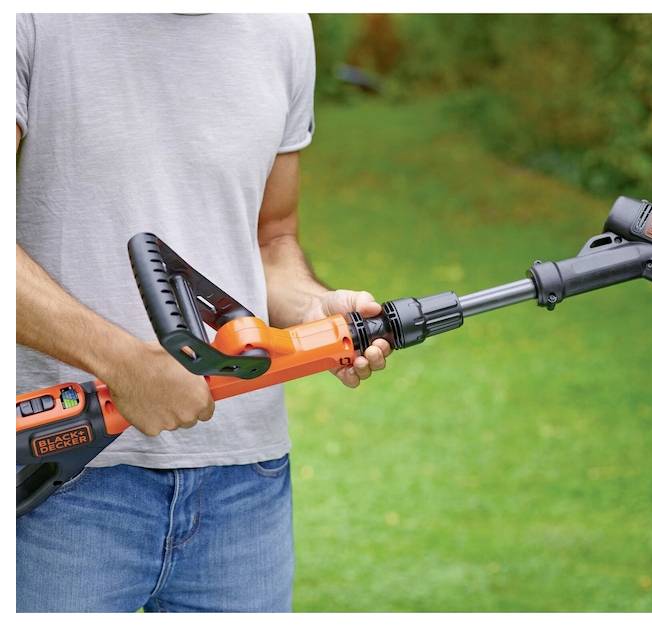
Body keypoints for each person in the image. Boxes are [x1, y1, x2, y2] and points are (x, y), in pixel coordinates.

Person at [16, 13, 389, 613]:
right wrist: (122, 362)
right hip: (62, 474)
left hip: (246, 485)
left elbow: (272, 238)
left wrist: (314, 308)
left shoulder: (283, 26)